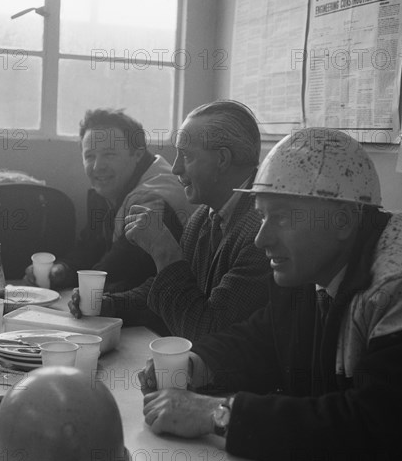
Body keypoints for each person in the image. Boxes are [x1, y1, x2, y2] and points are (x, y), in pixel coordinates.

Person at [139, 128, 402, 461]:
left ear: (344, 220)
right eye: (261, 217)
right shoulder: (314, 262)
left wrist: (216, 413)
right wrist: (202, 362)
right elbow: (264, 337)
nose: (262, 239)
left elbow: (370, 429)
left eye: (281, 219)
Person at [70, 100, 271, 339]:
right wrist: (108, 305)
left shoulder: (263, 233)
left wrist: (165, 253)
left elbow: (208, 330)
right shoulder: (203, 216)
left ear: (222, 159)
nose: (175, 169)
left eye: (185, 156)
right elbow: (164, 291)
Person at [24, 108, 195, 292]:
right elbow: (90, 246)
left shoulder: (152, 199)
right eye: (90, 156)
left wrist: (80, 290)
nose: (98, 167)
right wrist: (62, 270)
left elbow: (120, 271)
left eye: (109, 154)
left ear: (137, 154)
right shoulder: (113, 185)